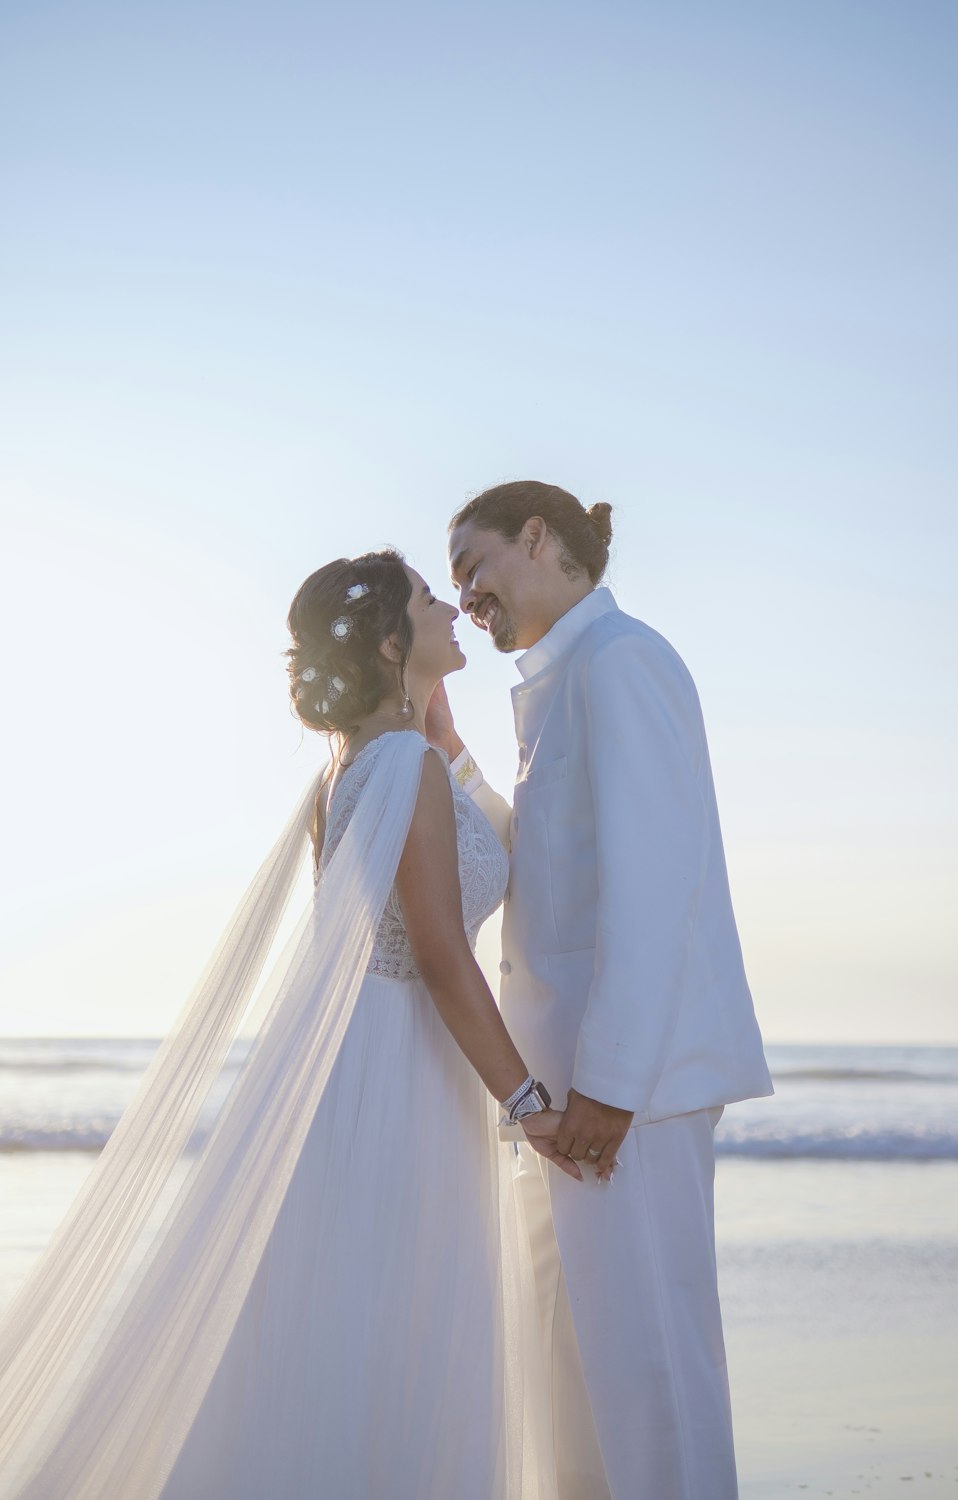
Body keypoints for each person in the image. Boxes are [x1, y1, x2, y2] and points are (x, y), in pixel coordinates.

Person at [0, 548, 576, 1500]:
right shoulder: (404, 770)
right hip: (405, 1075)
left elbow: (491, 850)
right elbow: (438, 954)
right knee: (397, 1320)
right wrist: (527, 1100)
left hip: (366, 1065)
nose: (449, 609)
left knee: (343, 1314)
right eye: (430, 601)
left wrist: (446, 734)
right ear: (394, 641)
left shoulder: (357, 766)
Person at [435, 481, 775, 1500]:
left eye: (473, 567)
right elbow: (548, 867)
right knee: (575, 1364)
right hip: (570, 1093)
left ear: (538, 537)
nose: (465, 601)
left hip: (629, 1091)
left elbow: (653, 887)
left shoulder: (621, 664)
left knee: (646, 1368)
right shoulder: (568, 675)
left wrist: (610, 1086)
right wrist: (452, 755)